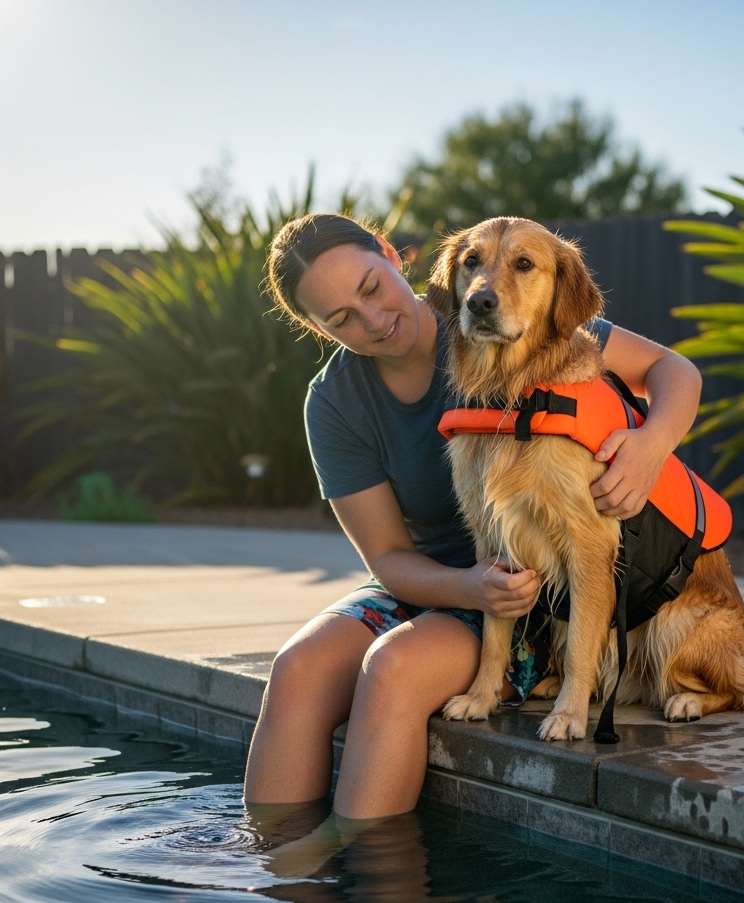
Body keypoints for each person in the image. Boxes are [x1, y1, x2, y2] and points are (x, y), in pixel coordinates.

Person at [243, 213, 702, 825]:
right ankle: (278, 883)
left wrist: (650, 446)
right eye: (341, 320)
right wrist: (468, 585)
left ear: (390, 254)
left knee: (393, 669)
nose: (374, 321)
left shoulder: (515, 314)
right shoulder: (333, 402)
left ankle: (381, 891)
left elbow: (676, 371)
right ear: (314, 328)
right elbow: (387, 560)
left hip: (540, 600)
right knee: (296, 669)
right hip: (444, 584)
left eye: (371, 289)